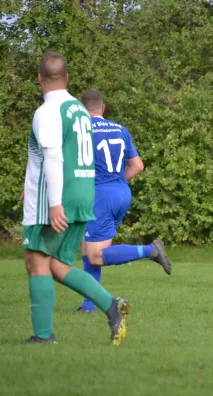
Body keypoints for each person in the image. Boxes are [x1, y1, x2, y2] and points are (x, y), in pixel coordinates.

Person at [21, 51, 129, 345]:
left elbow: (53, 156)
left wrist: (54, 202)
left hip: (56, 199)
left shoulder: (47, 111)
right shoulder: (79, 109)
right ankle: (111, 305)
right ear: (67, 78)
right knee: (56, 265)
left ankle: (43, 337)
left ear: (39, 78)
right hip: (83, 194)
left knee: (36, 260)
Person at [76, 89, 171, 314]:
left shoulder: (81, 130)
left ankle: (149, 250)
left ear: (81, 109)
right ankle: (88, 306)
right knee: (88, 247)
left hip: (99, 196)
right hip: (121, 192)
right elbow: (137, 165)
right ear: (103, 107)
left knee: (95, 255)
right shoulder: (120, 129)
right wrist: (117, 181)